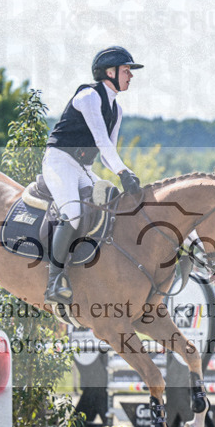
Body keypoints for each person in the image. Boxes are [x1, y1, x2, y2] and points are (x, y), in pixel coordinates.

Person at [41, 46, 143, 304]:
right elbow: (101, 142)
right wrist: (124, 172)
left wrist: (125, 174)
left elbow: (108, 153)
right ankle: (54, 281)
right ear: (110, 72)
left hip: (83, 168)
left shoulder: (116, 109)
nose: (130, 75)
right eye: (126, 70)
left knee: (113, 205)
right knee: (73, 213)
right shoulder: (88, 96)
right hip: (59, 161)